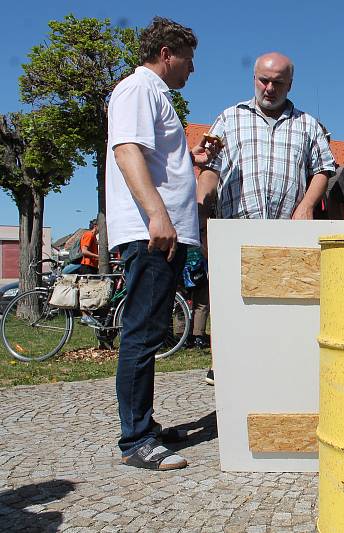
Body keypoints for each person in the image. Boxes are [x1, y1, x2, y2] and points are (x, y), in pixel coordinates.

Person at [105, 17, 221, 470]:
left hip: (165, 231)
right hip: (151, 232)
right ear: (168, 53)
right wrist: (157, 214)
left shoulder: (157, 96)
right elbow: (127, 150)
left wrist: (192, 160)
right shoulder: (138, 89)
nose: (192, 69)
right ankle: (135, 440)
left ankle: (145, 426)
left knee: (152, 331)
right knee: (141, 332)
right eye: (189, 59)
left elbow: (152, 156)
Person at [196, 52, 336, 384]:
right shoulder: (229, 118)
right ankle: (228, 371)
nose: (269, 88)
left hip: (286, 232)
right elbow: (209, 170)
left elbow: (324, 169)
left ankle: (282, 373)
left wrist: (306, 207)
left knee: (285, 307)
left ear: (290, 84)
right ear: (254, 78)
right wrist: (202, 213)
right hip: (236, 230)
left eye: (277, 82)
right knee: (232, 305)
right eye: (263, 80)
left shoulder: (307, 124)